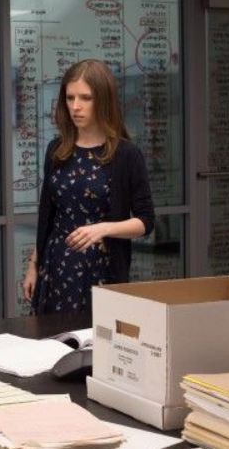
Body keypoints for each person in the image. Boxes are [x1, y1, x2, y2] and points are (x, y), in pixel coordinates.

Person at [22, 59, 155, 315]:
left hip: (102, 269)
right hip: (56, 265)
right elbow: (47, 217)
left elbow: (146, 221)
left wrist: (103, 228)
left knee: (97, 337)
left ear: (103, 100)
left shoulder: (126, 154)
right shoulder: (57, 149)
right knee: (52, 336)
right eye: (70, 98)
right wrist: (33, 265)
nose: (76, 106)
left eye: (85, 98)